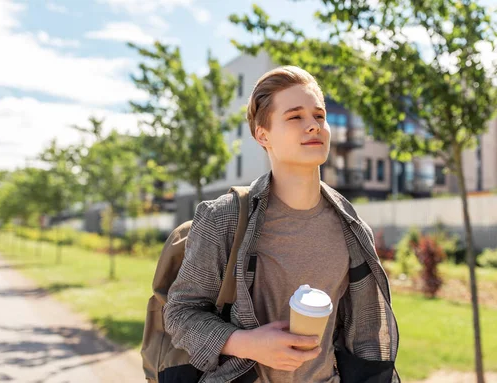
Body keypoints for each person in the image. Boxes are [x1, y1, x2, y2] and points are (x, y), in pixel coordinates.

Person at [164, 66, 400, 382]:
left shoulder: (353, 229)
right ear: (263, 134)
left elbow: (364, 334)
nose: (313, 126)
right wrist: (248, 344)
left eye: (319, 115)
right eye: (295, 117)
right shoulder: (224, 218)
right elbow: (180, 315)